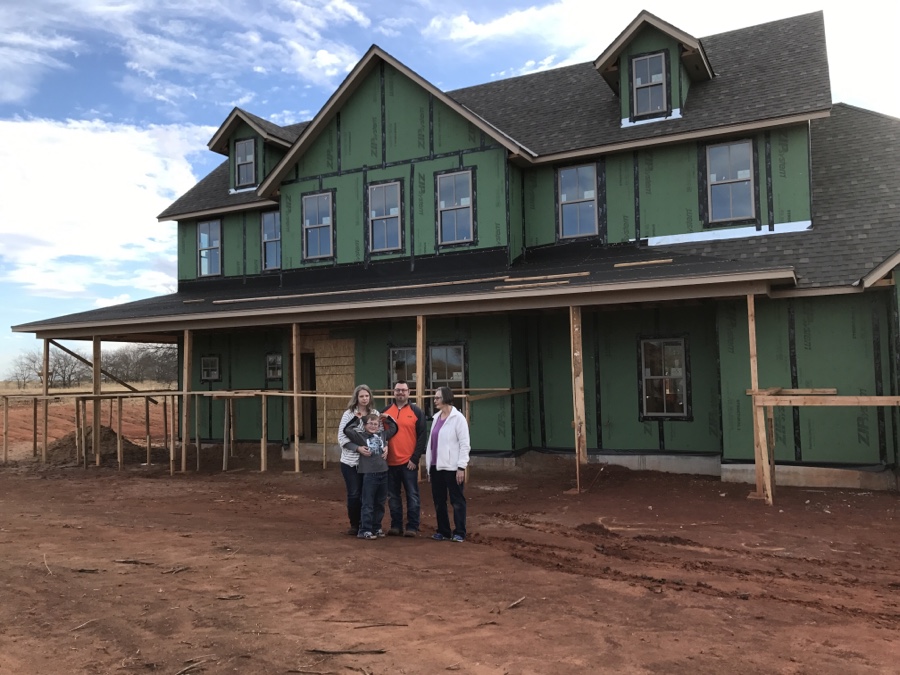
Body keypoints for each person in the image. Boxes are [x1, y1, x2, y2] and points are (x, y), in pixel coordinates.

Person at [381, 380, 427, 537]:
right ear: (393, 392)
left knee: (412, 495)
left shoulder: (416, 412)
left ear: (409, 392)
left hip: (409, 463)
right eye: (397, 390)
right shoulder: (385, 412)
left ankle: (412, 527)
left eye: (403, 390)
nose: (400, 393)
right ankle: (396, 526)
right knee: (393, 496)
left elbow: (422, 437)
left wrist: (415, 459)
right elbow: (378, 433)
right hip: (389, 463)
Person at [425, 386, 470, 542]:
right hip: (436, 466)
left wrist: (461, 467)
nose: (435, 400)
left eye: (437, 397)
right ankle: (443, 531)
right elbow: (432, 443)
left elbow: (465, 444)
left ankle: (459, 532)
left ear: (446, 398)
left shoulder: (458, 418)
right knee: (439, 500)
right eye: (435, 397)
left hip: (452, 468)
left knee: (457, 500)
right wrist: (429, 468)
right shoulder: (436, 417)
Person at [343, 412, 397, 540]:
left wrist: (387, 418)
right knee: (367, 502)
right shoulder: (361, 436)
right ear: (365, 425)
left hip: (383, 472)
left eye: (376, 424)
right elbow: (347, 430)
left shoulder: (382, 435)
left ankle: (376, 526)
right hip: (369, 473)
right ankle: (365, 529)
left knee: (380, 502)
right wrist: (358, 418)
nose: (373, 426)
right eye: (371, 424)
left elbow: (394, 428)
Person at [337, 385, 378, 536]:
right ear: (357, 398)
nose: (364, 399)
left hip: (368, 463)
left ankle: (366, 524)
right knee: (354, 493)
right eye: (361, 396)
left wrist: (383, 447)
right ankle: (354, 524)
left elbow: (379, 434)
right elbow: (341, 438)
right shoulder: (349, 414)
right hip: (350, 462)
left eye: (367, 396)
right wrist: (357, 448)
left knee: (367, 494)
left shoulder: (374, 414)